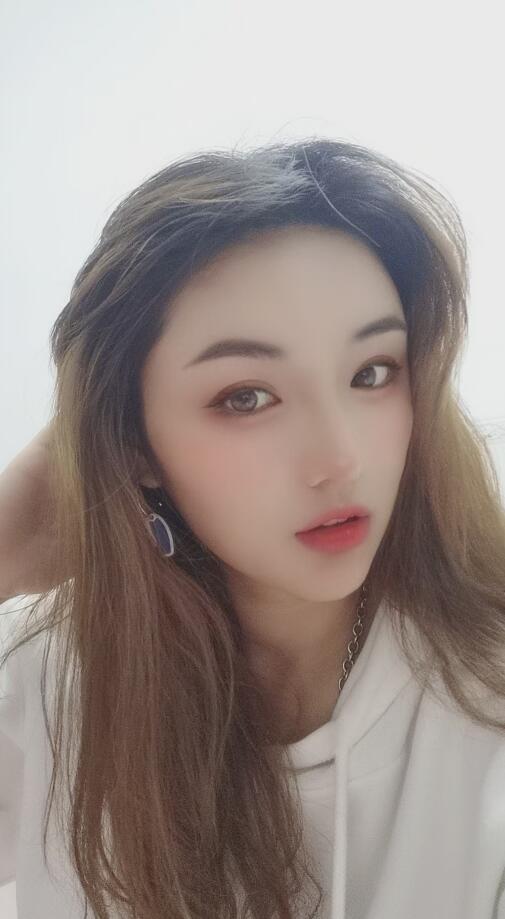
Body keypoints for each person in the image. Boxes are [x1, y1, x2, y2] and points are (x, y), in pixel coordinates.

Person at [1, 138, 505, 919]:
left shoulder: (482, 689)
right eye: (246, 396)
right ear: (134, 443)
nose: (339, 460)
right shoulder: (41, 679)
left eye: (372, 372)